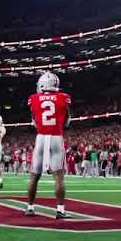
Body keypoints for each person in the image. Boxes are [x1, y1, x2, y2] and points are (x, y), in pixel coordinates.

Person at [25, 72, 71, 219]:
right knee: (59, 177)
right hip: (56, 138)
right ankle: (60, 210)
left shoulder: (33, 98)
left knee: (34, 176)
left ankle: (30, 207)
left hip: (40, 138)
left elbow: (34, 120)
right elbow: (67, 120)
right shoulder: (63, 97)